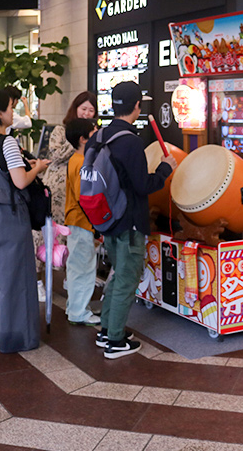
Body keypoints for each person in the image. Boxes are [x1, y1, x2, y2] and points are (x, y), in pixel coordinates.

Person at [87, 81, 177, 359]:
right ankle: (115, 341)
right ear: (137, 106)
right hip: (129, 222)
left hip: (107, 218)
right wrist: (165, 169)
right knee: (127, 278)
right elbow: (143, 185)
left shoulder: (98, 136)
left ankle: (107, 330)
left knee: (118, 275)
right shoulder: (130, 141)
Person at [0, 88, 49, 353]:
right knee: (17, 278)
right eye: (10, 108)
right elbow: (20, 181)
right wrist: (38, 168)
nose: (13, 112)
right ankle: (18, 337)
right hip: (10, 214)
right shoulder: (5, 142)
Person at [64, 117, 100, 326]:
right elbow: (84, 197)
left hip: (76, 221)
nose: (97, 132)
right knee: (84, 267)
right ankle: (79, 312)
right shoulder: (81, 163)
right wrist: (97, 224)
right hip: (81, 221)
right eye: (93, 130)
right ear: (83, 139)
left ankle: (75, 307)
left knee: (78, 266)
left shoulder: (76, 160)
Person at [43, 91, 97, 224]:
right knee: (57, 231)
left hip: (82, 187)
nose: (86, 114)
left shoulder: (95, 134)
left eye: (91, 110)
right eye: (83, 109)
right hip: (59, 189)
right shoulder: (61, 130)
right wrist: (76, 137)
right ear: (75, 109)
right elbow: (55, 156)